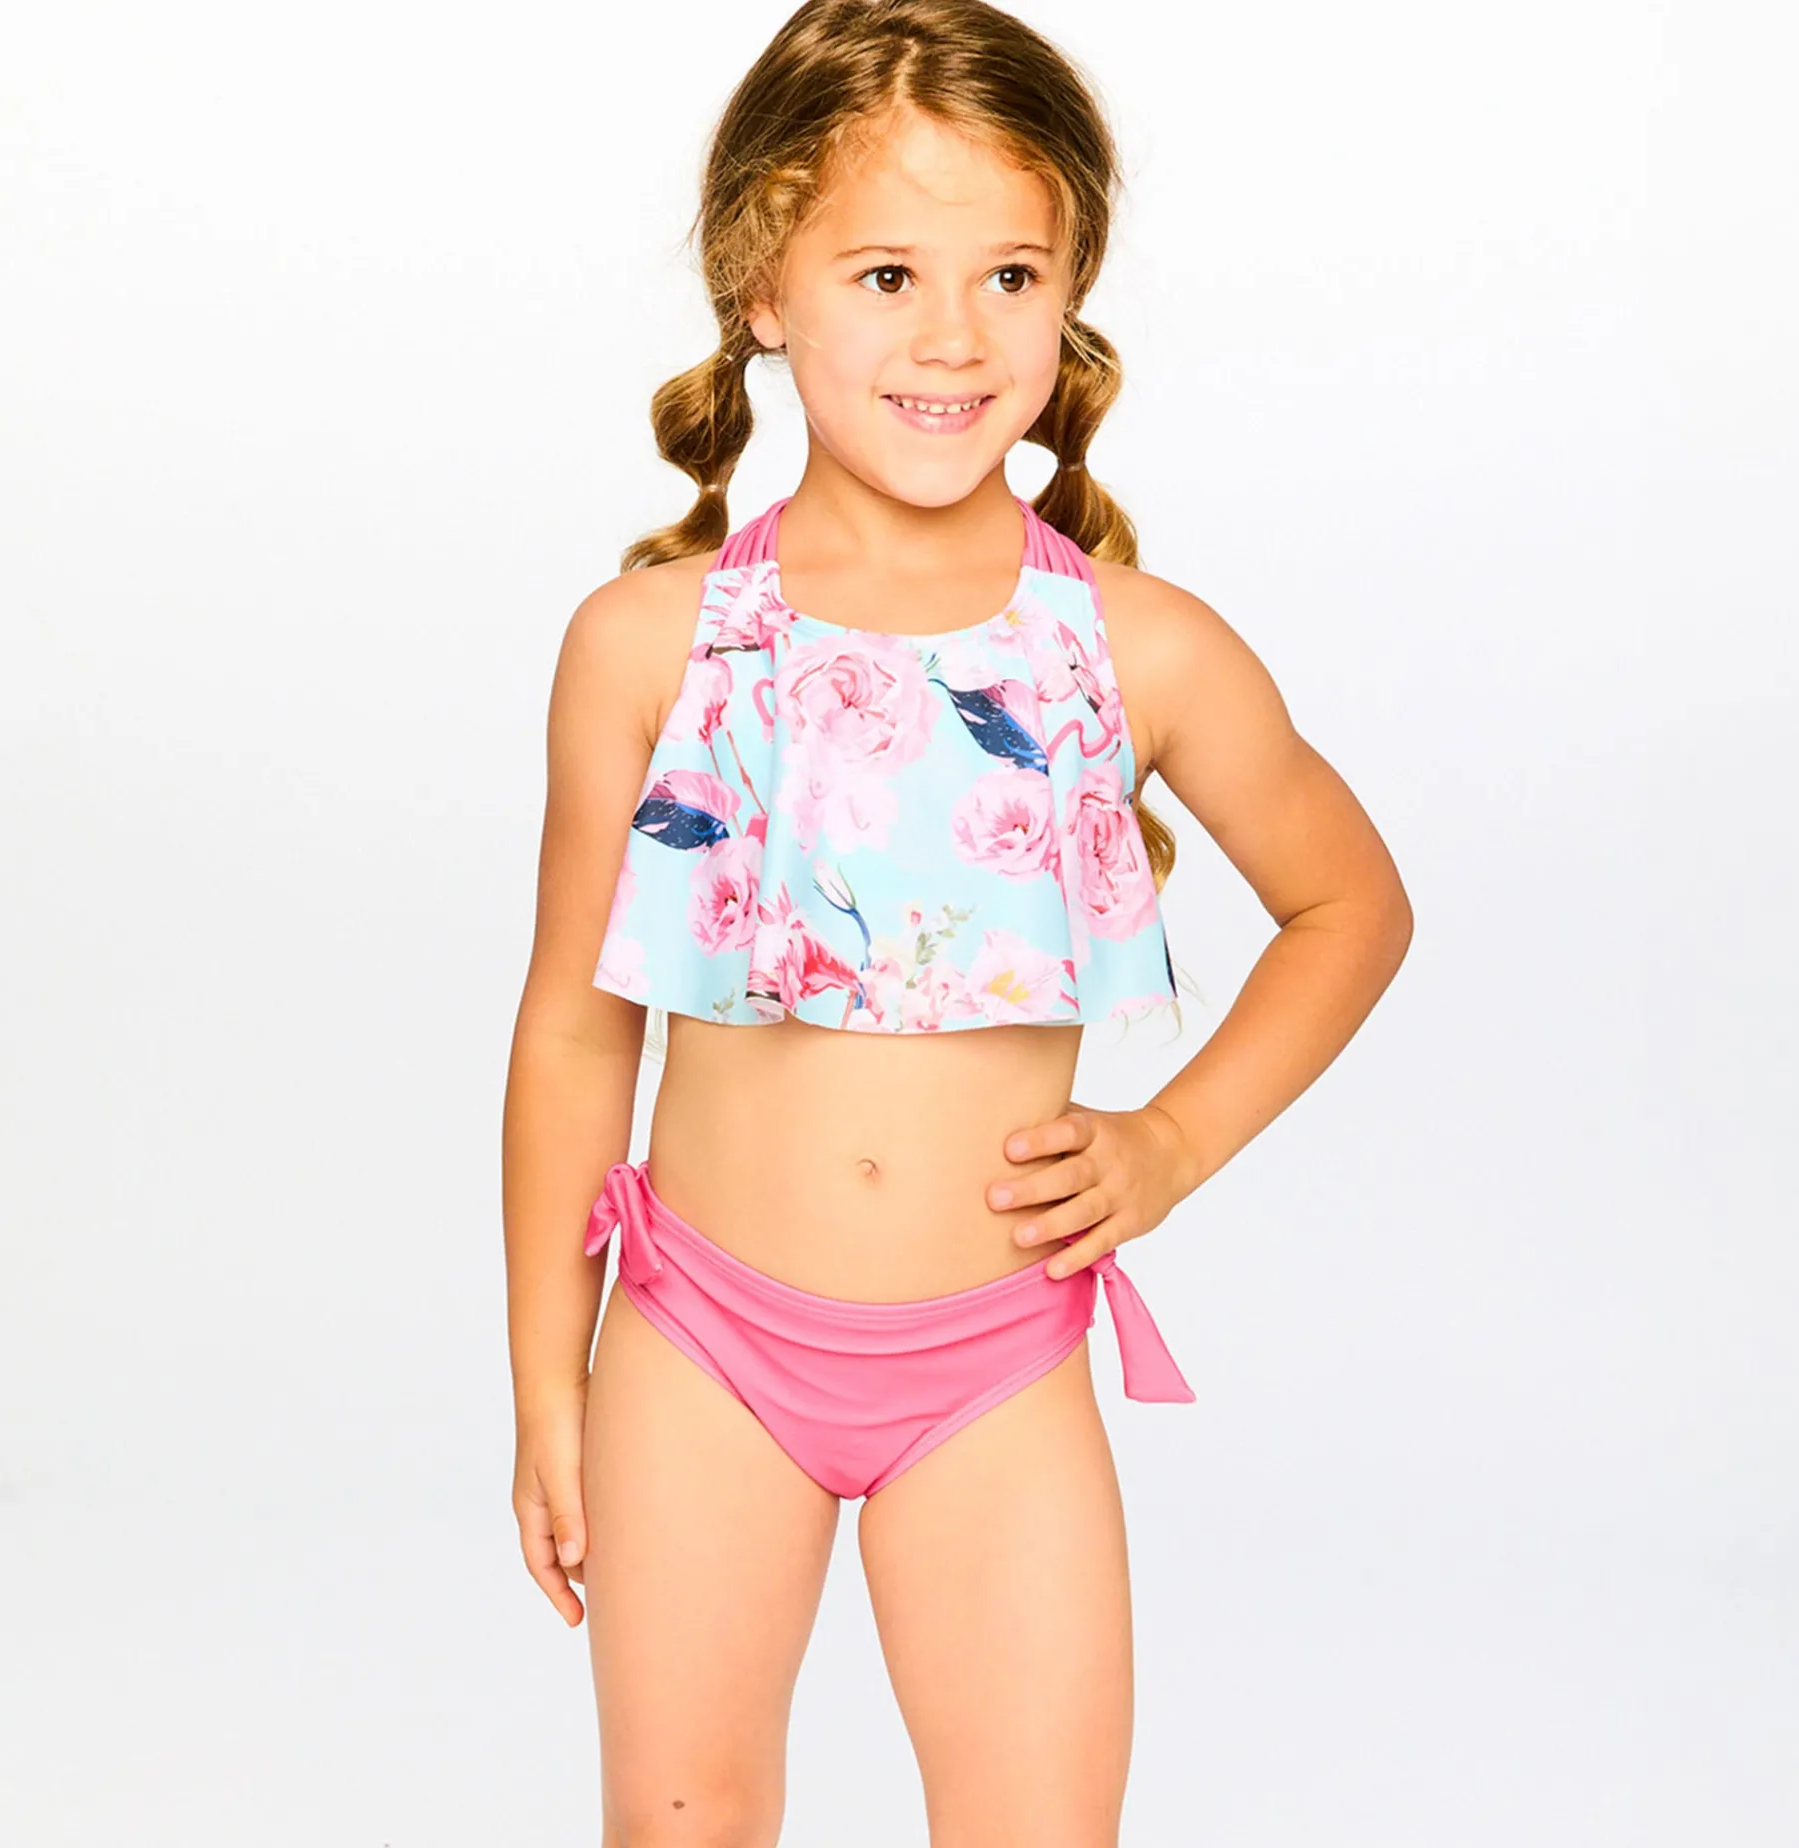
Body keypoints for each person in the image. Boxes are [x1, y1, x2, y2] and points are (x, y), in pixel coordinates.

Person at [502, 2, 1413, 1839]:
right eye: (888, 274)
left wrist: (1171, 1142)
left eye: (1011, 275)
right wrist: (545, 1378)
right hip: (699, 1347)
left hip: (994, 1366)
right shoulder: (650, 646)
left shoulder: (1139, 650)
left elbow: (1351, 905)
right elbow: (575, 1027)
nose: (953, 336)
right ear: (761, 284)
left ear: (1070, 293)